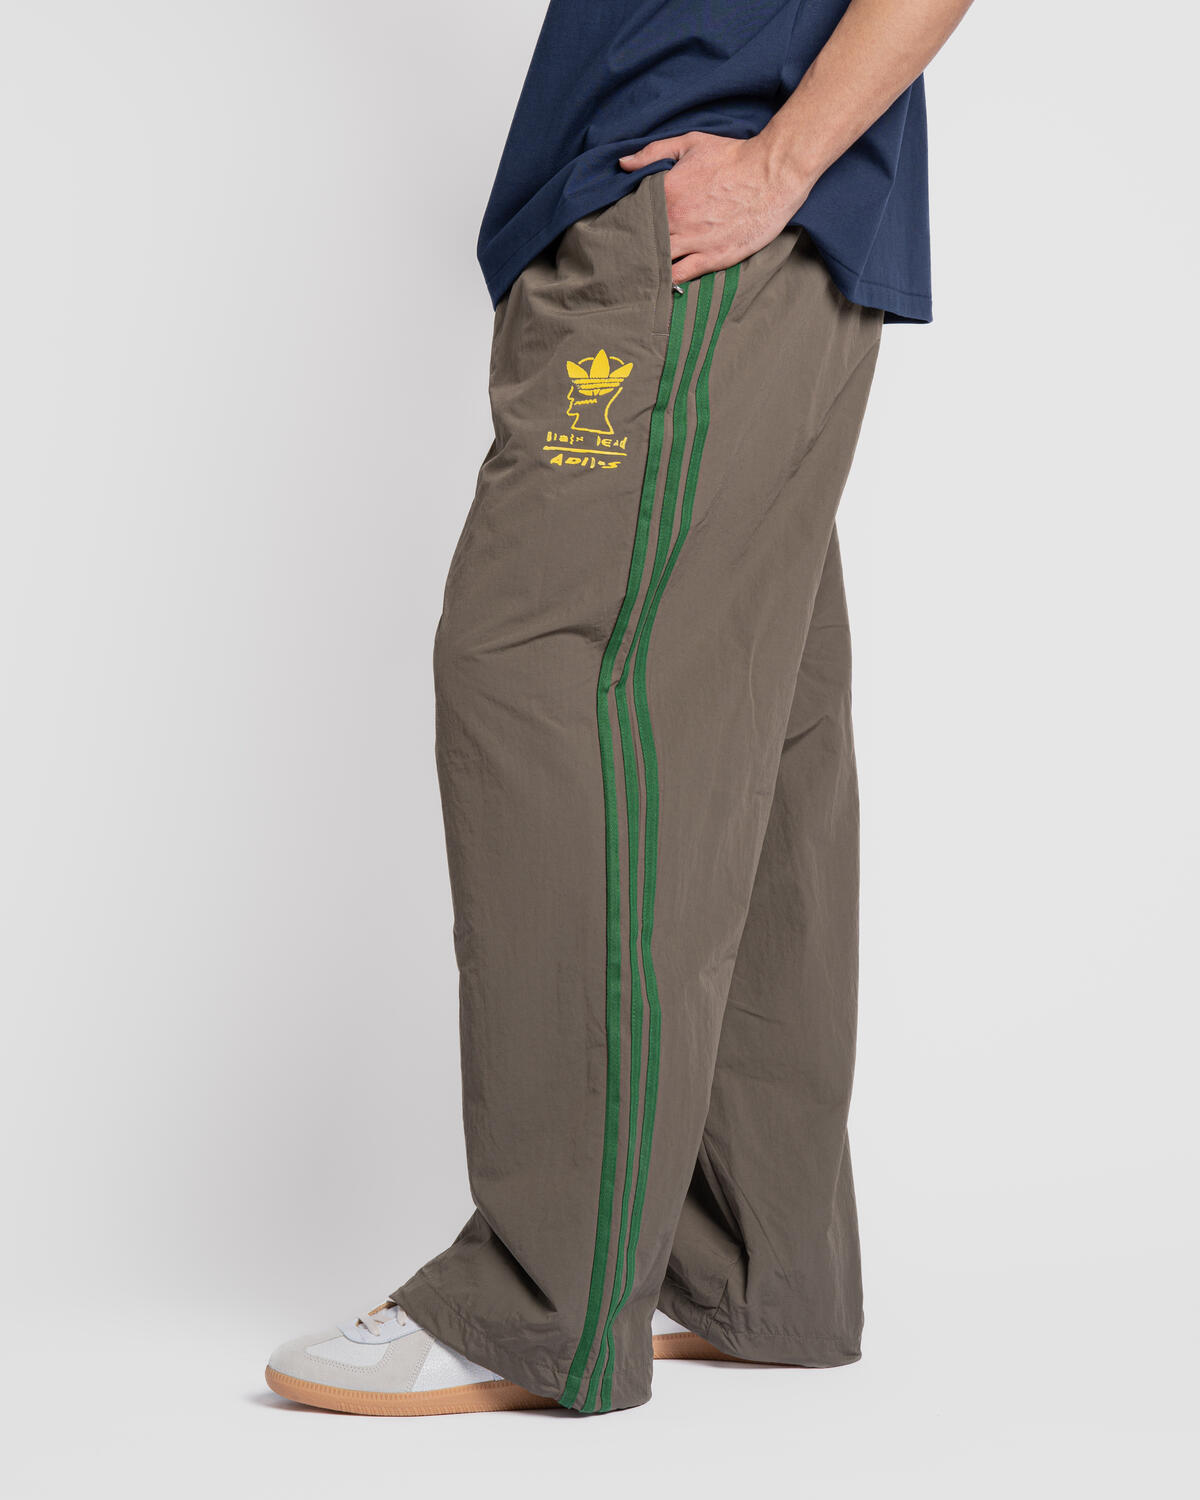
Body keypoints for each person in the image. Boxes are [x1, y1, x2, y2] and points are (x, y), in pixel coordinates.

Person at [266, 0, 973, 1417]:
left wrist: (779, 162)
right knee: (748, 721)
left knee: (547, 687)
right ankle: (745, 1263)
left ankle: (543, 1297)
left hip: (700, 227)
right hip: (716, 230)